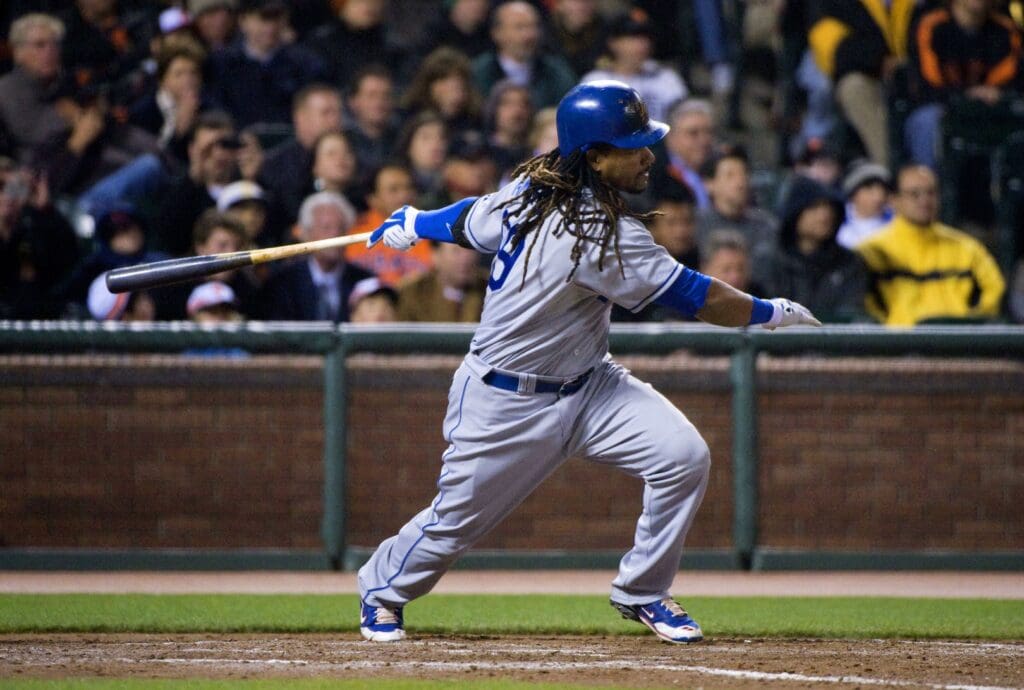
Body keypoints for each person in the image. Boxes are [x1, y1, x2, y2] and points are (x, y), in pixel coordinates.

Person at [357, 80, 820, 644]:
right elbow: (699, 299)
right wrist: (771, 312)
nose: (649, 156)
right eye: (632, 146)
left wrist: (416, 222)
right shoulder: (598, 232)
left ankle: (643, 589)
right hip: (505, 401)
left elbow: (468, 219)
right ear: (594, 157)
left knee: (682, 456)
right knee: (452, 524)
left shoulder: (531, 189)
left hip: (591, 386)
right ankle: (381, 591)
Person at [856, 164, 1006, 326]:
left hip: (957, 338)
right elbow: (864, 302)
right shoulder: (872, 251)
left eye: (931, 193)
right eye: (914, 194)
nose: (924, 200)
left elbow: (995, 288)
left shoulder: (967, 248)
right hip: (897, 339)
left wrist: (972, 323)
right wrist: (886, 328)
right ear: (894, 200)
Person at [906, 0, 1022, 171]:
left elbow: (1014, 78)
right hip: (944, 105)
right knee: (926, 120)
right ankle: (927, 183)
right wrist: (966, 94)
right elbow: (928, 83)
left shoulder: (1006, 28)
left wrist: (996, 93)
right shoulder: (930, 25)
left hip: (994, 109)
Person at [206, 0, 326, 128]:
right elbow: (215, 111)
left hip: (291, 136)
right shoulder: (221, 65)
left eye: (277, 18)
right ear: (243, 21)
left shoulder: (306, 64)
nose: (271, 27)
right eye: (263, 18)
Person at [257, 190, 374, 321]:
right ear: (307, 234)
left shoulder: (365, 283)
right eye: (326, 228)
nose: (335, 234)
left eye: (341, 228)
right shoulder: (283, 283)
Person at [763, 177, 866, 323]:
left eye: (830, 208)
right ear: (795, 213)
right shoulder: (770, 261)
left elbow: (850, 313)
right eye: (814, 207)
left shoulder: (849, 263)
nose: (825, 216)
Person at [580, 10, 688, 124]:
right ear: (613, 42)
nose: (641, 44)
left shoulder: (666, 77)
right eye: (633, 37)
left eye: (646, 38)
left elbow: (684, 118)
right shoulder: (595, 81)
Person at [472, 1, 578, 110]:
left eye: (534, 26)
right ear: (497, 33)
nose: (529, 35)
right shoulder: (479, 72)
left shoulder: (556, 72)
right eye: (520, 27)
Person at [344, 163, 433, 285]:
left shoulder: (430, 231)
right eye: (393, 190)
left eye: (409, 188)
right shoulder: (354, 232)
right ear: (372, 199)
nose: (404, 196)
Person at [395, 241, 488, 322]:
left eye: (470, 249)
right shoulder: (412, 292)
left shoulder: (490, 288)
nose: (466, 258)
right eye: (456, 251)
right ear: (436, 255)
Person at [836, 160, 893, 250]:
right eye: (869, 190)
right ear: (853, 194)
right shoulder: (837, 221)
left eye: (883, 190)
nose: (878, 197)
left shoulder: (896, 221)